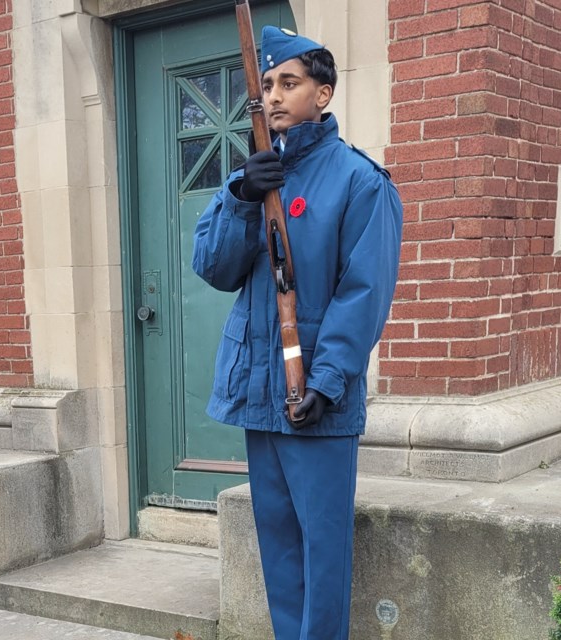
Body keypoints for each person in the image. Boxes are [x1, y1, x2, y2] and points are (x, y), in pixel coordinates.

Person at [191, 27, 402, 640]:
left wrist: (328, 381)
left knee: (322, 554)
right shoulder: (252, 177)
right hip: (262, 394)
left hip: (315, 395)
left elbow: (363, 296)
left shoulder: (361, 182)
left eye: (290, 82)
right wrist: (240, 198)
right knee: (278, 550)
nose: (274, 96)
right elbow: (212, 267)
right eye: (266, 84)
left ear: (324, 93)